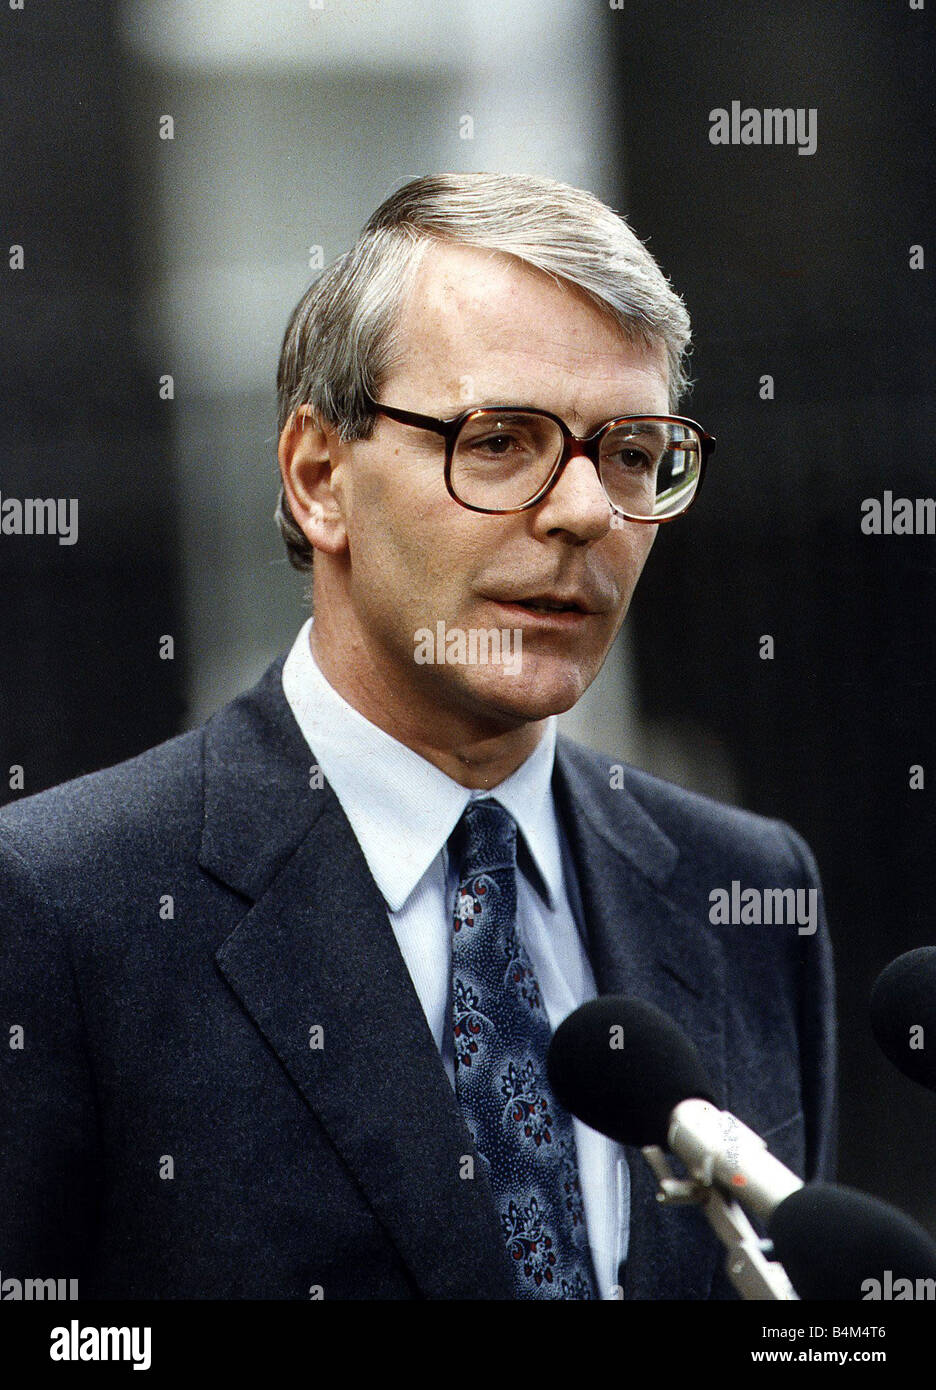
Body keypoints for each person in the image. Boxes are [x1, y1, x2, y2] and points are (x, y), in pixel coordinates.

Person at [0, 172, 835, 1300]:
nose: (587, 511)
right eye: (500, 439)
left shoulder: (744, 891)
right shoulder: (65, 905)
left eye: (633, 452)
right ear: (318, 478)